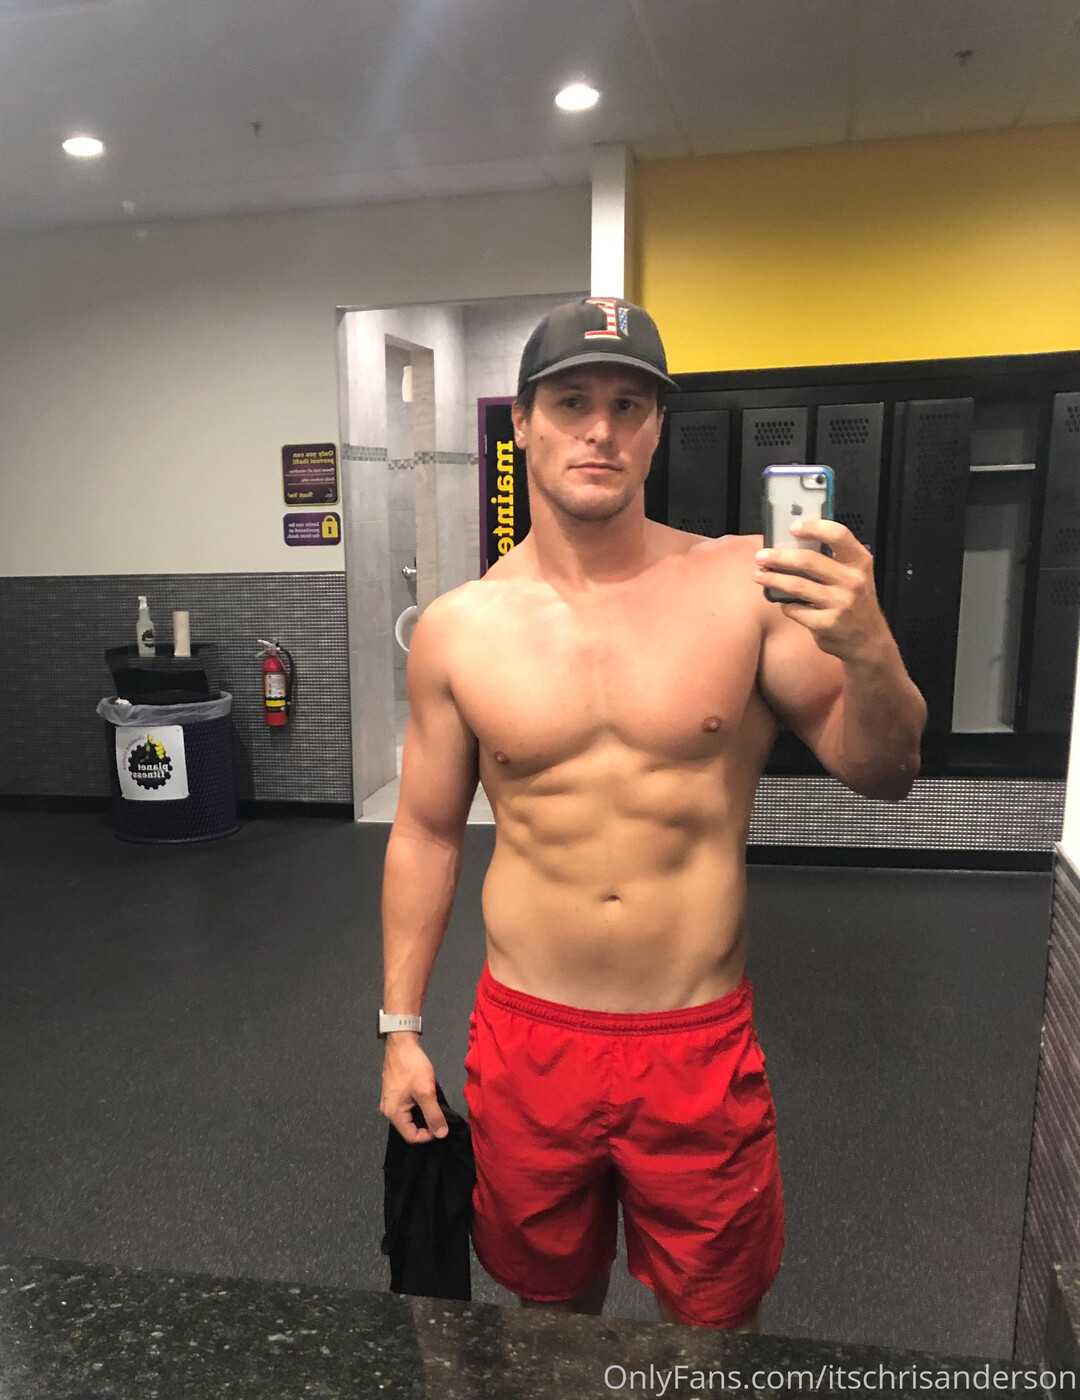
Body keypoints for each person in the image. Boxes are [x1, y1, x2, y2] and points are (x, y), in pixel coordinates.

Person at [379, 296, 927, 1333]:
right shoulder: (459, 629)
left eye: (628, 405)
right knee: (547, 1314)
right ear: (524, 424)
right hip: (529, 1038)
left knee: (718, 1323)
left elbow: (885, 769)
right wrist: (400, 1029)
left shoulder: (745, 586)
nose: (601, 428)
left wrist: (870, 648)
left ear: (657, 429)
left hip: (694, 1041)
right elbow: (426, 832)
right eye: (572, 402)